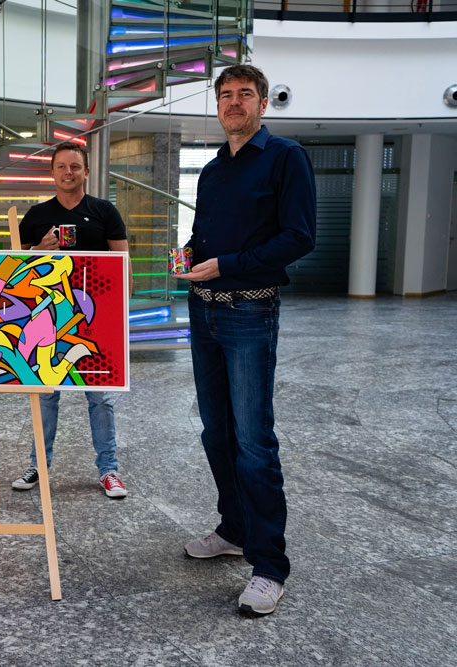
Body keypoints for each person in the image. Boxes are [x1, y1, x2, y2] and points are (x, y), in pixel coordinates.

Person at [174, 64, 316, 616]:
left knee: (254, 441)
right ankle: (234, 529)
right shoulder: (213, 170)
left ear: (262, 103)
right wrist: (189, 256)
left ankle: (269, 566)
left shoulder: (285, 157)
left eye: (245, 94)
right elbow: (202, 235)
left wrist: (227, 264)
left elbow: (299, 237)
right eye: (226, 95)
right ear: (218, 105)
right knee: (216, 432)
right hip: (203, 310)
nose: (234, 103)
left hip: (250, 311)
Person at [12, 141, 132, 498]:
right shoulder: (36, 215)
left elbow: (123, 262)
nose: (69, 173)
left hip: (95, 320)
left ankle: (109, 470)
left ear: (86, 172)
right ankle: (38, 465)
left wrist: (121, 314)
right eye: (62, 167)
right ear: (52, 172)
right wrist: (37, 251)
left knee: (100, 398)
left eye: (75, 167)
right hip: (46, 318)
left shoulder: (104, 211)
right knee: (46, 396)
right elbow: (11, 270)